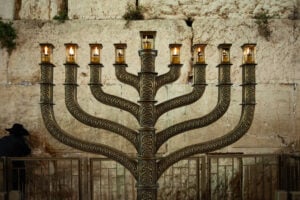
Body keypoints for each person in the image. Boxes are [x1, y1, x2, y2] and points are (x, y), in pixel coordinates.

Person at [0, 123, 31, 197]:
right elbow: (27, 151)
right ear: (21, 134)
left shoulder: (3, 139)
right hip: (15, 170)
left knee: (3, 190)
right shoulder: (19, 140)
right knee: (17, 189)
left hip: (1, 170)